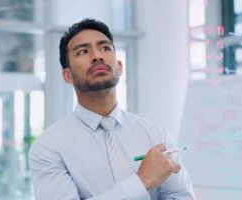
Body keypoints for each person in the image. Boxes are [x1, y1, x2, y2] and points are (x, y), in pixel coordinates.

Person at [29, 18, 195, 200]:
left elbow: (181, 196)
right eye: (83, 51)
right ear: (68, 75)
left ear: (119, 66)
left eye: (105, 48)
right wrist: (142, 180)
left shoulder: (155, 134)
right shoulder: (49, 147)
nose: (97, 56)